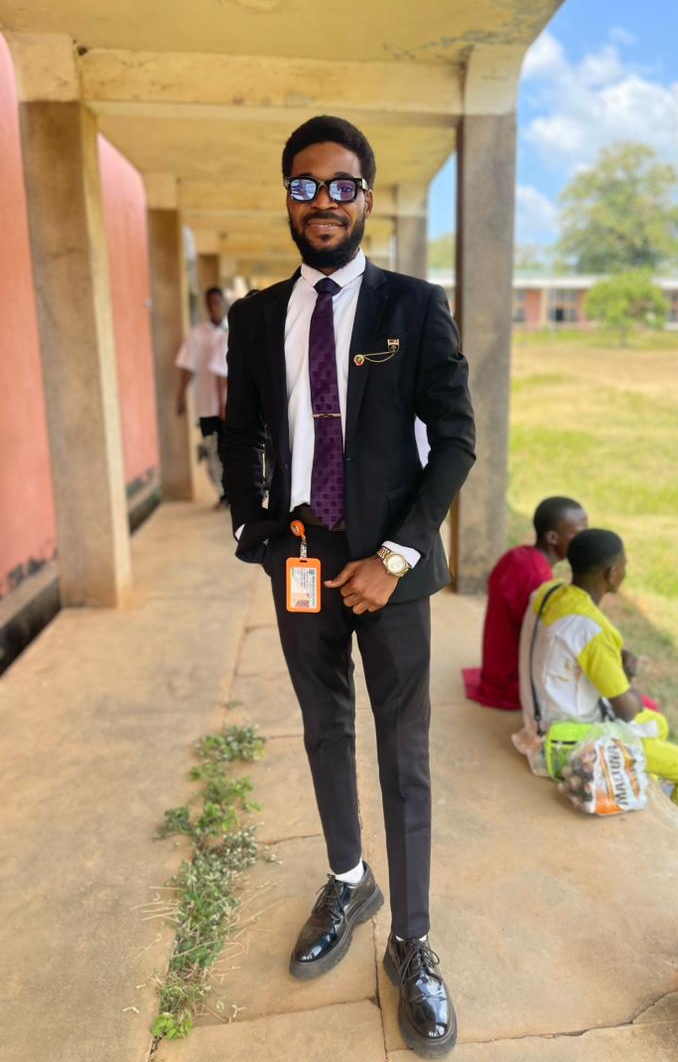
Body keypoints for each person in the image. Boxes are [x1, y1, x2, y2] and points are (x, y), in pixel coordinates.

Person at [222, 115, 474, 1057]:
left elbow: (456, 440)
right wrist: (252, 527)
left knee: (402, 749)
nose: (321, 202)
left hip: (390, 564)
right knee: (323, 726)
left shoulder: (414, 306)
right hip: (301, 559)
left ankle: (411, 940)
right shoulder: (255, 317)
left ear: (365, 198)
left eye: (339, 186)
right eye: (304, 185)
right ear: (287, 197)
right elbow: (240, 432)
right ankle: (348, 879)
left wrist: (396, 555)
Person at [517, 528, 678, 823]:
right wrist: (627, 681)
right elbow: (626, 710)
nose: (625, 572)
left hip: (538, 724)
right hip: (571, 745)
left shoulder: (548, 592)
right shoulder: (592, 630)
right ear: (612, 573)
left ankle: (635, 785)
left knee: (658, 723)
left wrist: (611, 658)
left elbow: (569, 649)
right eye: (624, 566)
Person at [463, 496, 587, 710]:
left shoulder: (517, 555)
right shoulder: (538, 579)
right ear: (553, 537)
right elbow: (549, 643)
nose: (585, 540)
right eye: (578, 533)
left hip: (496, 671)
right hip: (511, 683)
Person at [175, 286, 229, 507]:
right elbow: (187, 368)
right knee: (212, 450)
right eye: (210, 303)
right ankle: (223, 494)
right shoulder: (196, 335)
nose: (213, 306)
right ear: (206, 306)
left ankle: (233, 492)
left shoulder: (234, 329)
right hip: (206, 405)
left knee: (230, 449)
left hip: (230, 405)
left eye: (217, 302)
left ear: (223, 303)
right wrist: (180, 396)